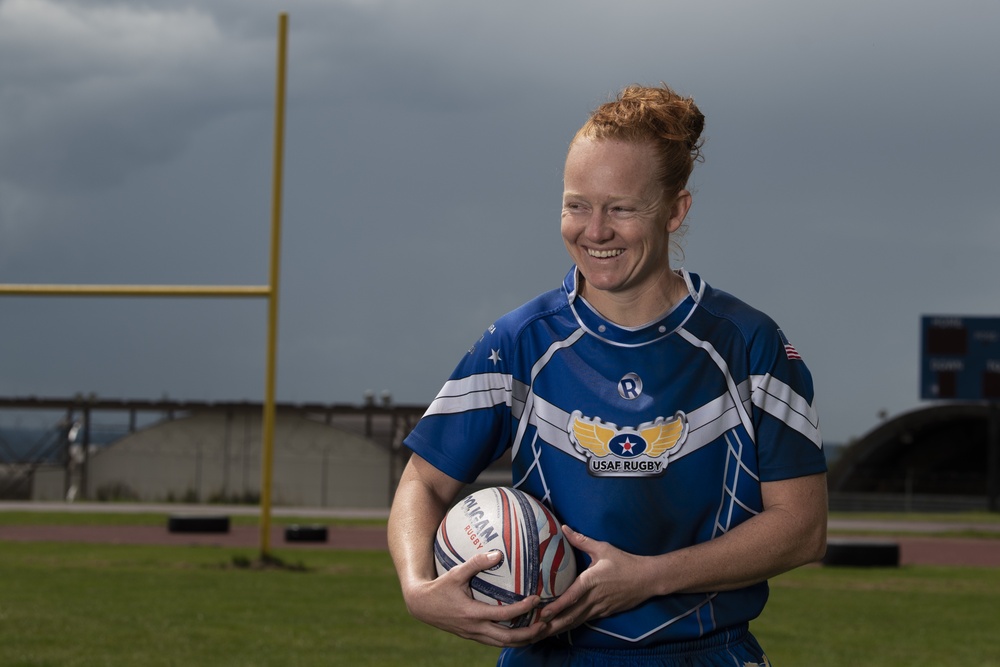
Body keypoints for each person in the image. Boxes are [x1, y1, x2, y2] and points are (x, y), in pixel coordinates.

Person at [388, 83, 828, 666]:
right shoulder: (520, 343)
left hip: (703, 654)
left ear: (676, 209)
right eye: (577, 205)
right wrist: (419, 590)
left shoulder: (747, 344)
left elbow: (802, 527)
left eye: (621, 208)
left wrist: (650, 577)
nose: (594, 231)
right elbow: (423, 483)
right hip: (550, 655)